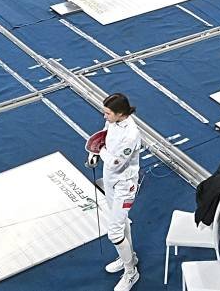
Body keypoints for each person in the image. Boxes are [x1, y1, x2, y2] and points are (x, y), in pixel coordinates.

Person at [86, 92, 143, 291]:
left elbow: (116, 163)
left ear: (120, 113)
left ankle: (131, 273)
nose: (105, 116)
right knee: (121, 222)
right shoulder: (112, 122)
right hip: (110, 179)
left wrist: (99, 150)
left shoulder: (131, 135)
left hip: (124, 185)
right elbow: (104, 135)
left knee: (115, 232)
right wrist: (94, 152)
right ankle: (129, 257)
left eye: (108, 113)